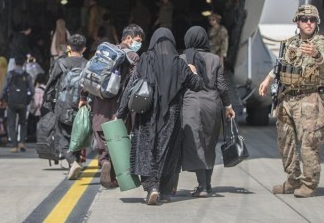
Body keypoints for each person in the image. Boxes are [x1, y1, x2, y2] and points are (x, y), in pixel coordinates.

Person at [116, 28, 202, 205]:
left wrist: (121, 113)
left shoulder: (146, 59)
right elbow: (198, 85)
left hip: (147, 114)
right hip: (171, 116)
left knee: (145, 150)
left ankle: (151, 187)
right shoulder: (179, 63)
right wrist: (193, 71)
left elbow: (131, 87)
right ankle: (163, 191)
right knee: (167, 152)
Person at [258, 4, 324, 198]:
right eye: (304, 19)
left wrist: (316, 54)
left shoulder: (321, 44)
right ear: (297, 22)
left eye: (312, 20)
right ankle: (293, 180)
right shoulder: (290, 43)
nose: (308, 23)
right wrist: (268, 80)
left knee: (309, 142)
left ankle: (309, 184)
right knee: (286, 141)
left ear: (317, 23)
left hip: (309, 99)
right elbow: (280, 66)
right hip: (287, 99)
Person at [81, 24, 143, 189]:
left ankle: (104, 162)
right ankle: (111, 168)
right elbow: (132, 84)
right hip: (118, 107)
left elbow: (89, 74)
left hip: (99, 104)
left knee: (101, 136)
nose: (139, 43)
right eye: (138, 40)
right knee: (117, 138)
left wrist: (83, 97)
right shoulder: (133, 57)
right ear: (128, 38)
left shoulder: (104, 52)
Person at [180, 26, 235, 198]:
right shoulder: (215, 59)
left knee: (195, 144)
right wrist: (228, 106)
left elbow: (179, 85)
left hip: (191, 103)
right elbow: (222, 86)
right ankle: (208, 184)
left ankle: (202, 186)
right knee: (209, 144)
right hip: (213, 104)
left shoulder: (182, 58)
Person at [45, 34, 88, 179]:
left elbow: (51, 84)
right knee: (77, 135)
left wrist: (48, 102)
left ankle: (71, 161)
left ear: (68, 47)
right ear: (84, 49)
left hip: (63, 105)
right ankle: (74, 164)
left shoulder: (61, 63)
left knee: (61, 136)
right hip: (82, 105)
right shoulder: (87, 64)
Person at [0, 55, 35, 153]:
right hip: (23, 103)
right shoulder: (27, 76)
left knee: (11, 124)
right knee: (23, 123)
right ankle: (22, 143)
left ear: (14, 63)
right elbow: (32, 90)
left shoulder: (9, 74)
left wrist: (1, 98)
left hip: (11, 102)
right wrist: (28, 99)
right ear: (24, 63)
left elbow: (4, 88)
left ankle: (14, 145)